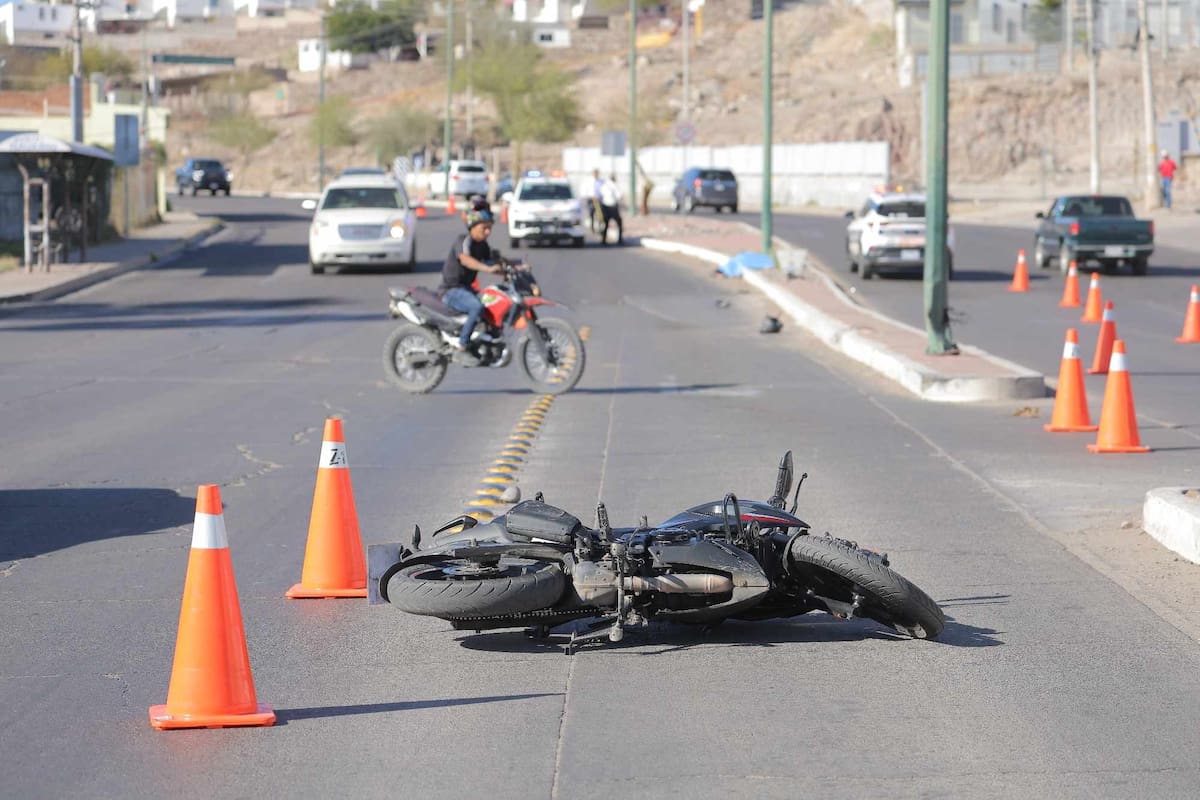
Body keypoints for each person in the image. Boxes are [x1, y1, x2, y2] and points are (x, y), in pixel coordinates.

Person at [441, 208, 504, 350]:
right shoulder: (463, 241)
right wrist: (487, 269)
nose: (488, 232)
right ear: (473, 226)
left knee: (491, 301)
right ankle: (463, 343)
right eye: (484, 228)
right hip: (451, 290)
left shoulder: (483, 245)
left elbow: (492, 262)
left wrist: (513, 269)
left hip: (466, 288)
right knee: (476, 307)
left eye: (490, 228)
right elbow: (465, 259)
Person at [598, 173, 623, 245]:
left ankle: (603, 239)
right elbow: (619, 196)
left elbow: (601, 194)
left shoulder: (605, 185)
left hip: (605, 206)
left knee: (605, 223)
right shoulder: (615, 186)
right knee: (619, 223)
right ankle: (620, 239)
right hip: (612, 206)